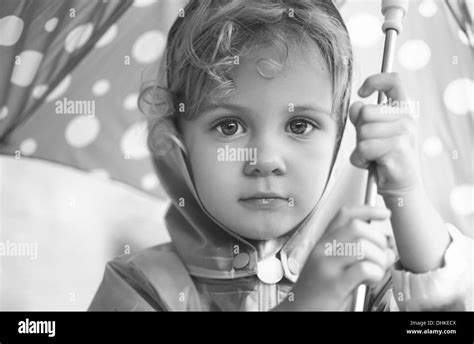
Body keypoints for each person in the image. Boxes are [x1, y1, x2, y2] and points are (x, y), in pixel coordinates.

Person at [89, 0, 472, 311]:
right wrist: (305, 304)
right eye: (229, 126)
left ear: (340, 140)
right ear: (177, 141)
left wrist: (406, 190)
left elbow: (447, 314)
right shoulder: (139, 286)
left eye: (300, 125)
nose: (265, 159)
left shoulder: (366, 272)